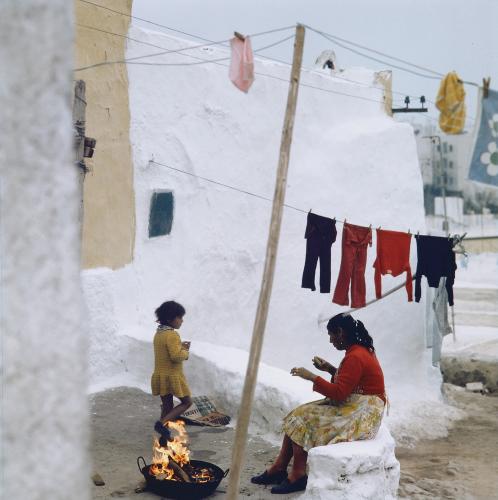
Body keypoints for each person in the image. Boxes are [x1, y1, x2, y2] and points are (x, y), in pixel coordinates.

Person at [251, 313, 386, 494]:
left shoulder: (355, 355)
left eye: (331, 335)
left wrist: (312, 377)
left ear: (340, 333)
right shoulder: (360, 351)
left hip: (362, 416)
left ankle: (297, 475)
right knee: (298, 414)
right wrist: (329, 369)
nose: (331, 341)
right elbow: (350, 379)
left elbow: (339, 393)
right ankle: (279, 467)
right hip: (360, 407)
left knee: (303, 418)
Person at [151, 300, 193, 445]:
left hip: (161, 375)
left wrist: (179, 347)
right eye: (180, 317)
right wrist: (185, 351)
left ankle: (163, 439)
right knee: (187, 402)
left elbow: (167, 351)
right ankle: (162, 424)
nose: (182, 320)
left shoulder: (159, 333)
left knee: (167, 406)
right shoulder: (172, 335)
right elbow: (176, 356)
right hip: (172, 376)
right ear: (170, 319)